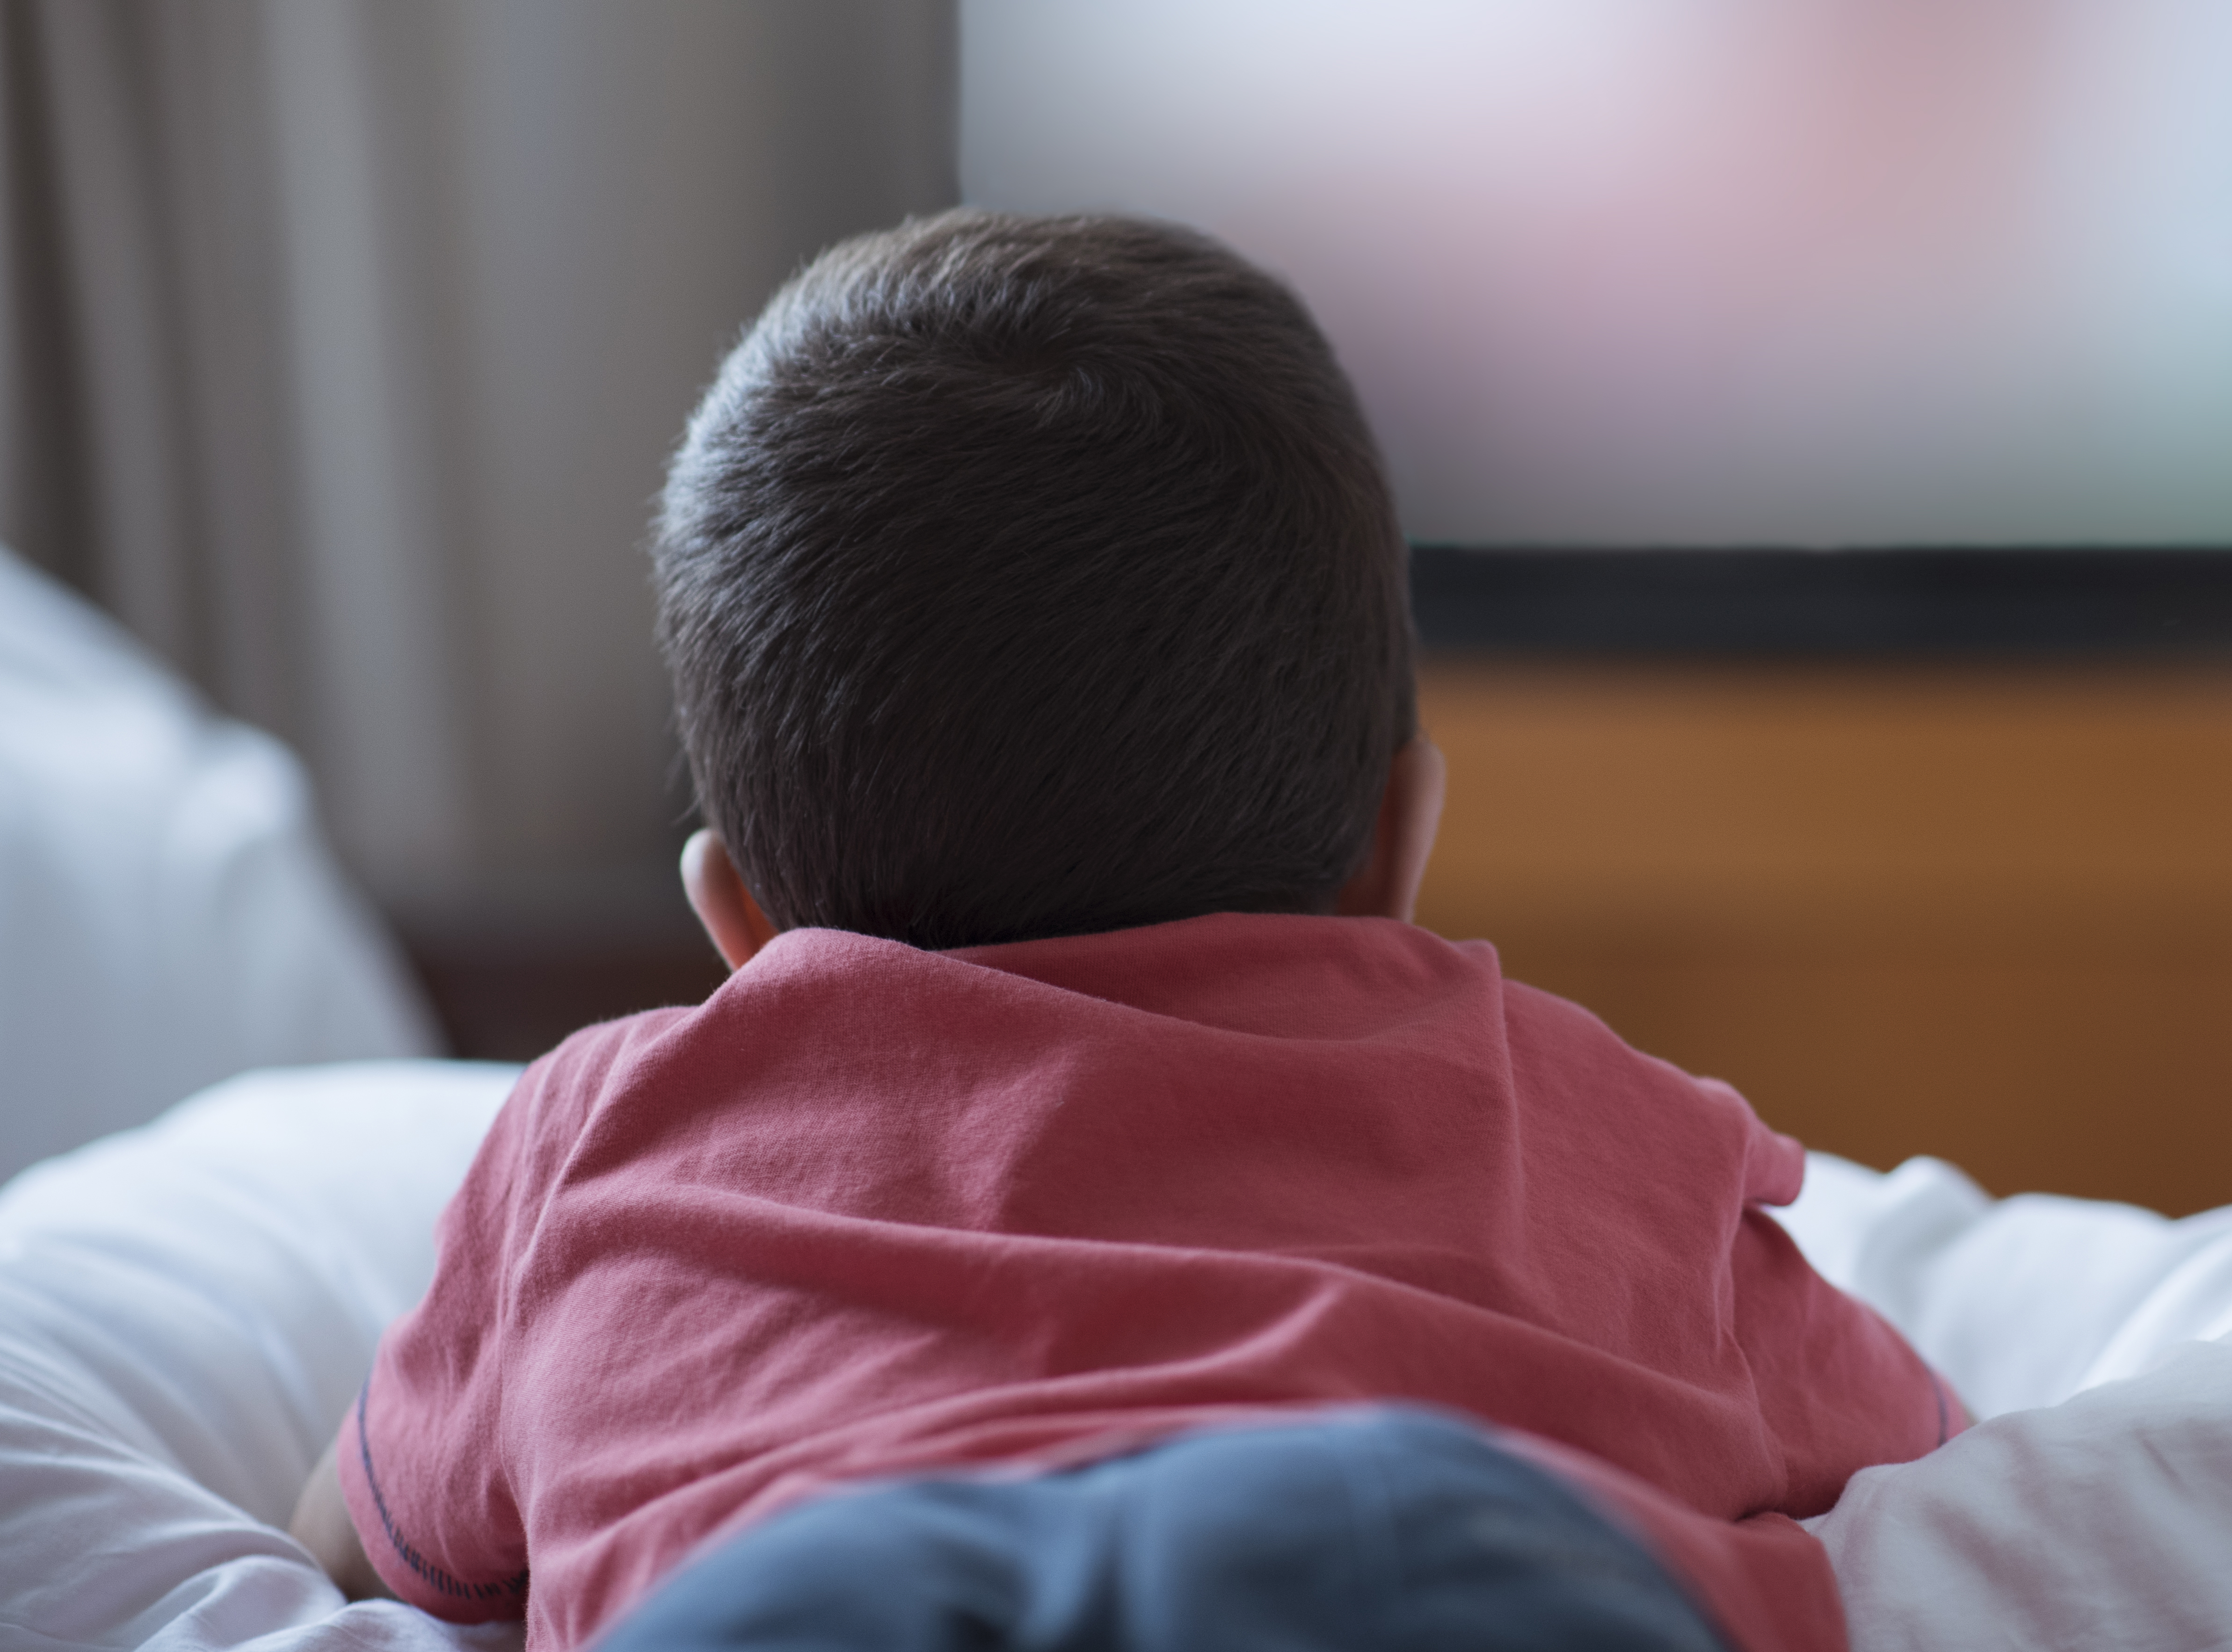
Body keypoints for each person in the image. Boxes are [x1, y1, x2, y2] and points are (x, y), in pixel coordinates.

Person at [287, 211, 1962, 1652]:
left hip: (809, 1589)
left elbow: (365, 1543)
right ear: (1403, 839)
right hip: (1413, 1559)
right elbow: (1916, 1445)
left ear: (739, 920)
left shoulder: (601, 1134)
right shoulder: (1603, 1126)